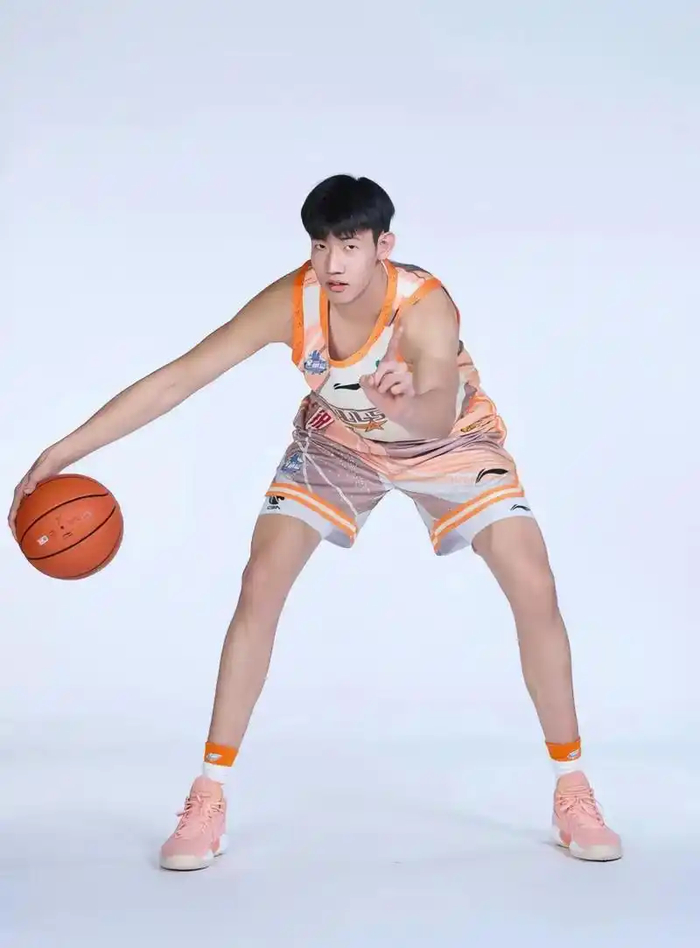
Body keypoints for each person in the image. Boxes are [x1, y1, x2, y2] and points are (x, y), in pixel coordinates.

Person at [8, 174, 622, 869]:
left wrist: (403, 406)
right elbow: (181, 376)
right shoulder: (293, 301)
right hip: (338, 444)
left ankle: (572, 786)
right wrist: (62, 452)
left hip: (448, 444)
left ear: (383, 246)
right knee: (261, 580)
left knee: (533, 583)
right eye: (321, 245)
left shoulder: (425, 307)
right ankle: (209, 795)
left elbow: (437, 415)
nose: (333, 262)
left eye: (350, 245)